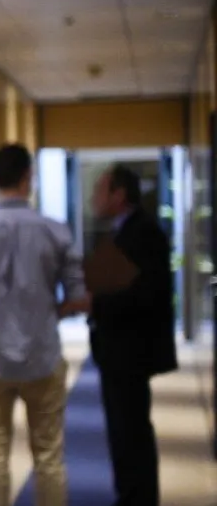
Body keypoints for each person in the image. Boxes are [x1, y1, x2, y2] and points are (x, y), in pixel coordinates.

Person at [0, 144, 89, 506]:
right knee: (49, 456)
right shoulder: (55, 231)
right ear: (28, 177)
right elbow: (78, 297)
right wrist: (51, 314)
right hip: (43, 355)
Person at [88, 165, 178, 506]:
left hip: (130, 351)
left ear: (119, 194)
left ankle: (138, 498)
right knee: (122, 433)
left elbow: (144, 296)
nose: (94, 198)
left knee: (131, 432)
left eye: (100, 190)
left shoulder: (144, 233)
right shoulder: (122, 231)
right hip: (116, 350)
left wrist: (93, 303)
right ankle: (130, 495)